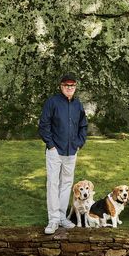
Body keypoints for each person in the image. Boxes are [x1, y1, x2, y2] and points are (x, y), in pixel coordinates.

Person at [38, 73, 88, 235]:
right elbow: (44, 124)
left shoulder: (78, 104)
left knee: (67, 184)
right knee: (53, 184)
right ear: (61, 86)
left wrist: (79, 143)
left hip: (71, 151)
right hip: (55, 151)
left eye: (72, 86)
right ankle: (52, 220)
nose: (69, 88)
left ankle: (61, 217)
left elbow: (83, 125)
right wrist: (51, 145)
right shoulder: (52, 102)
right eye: (67, 86)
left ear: (75, 87)